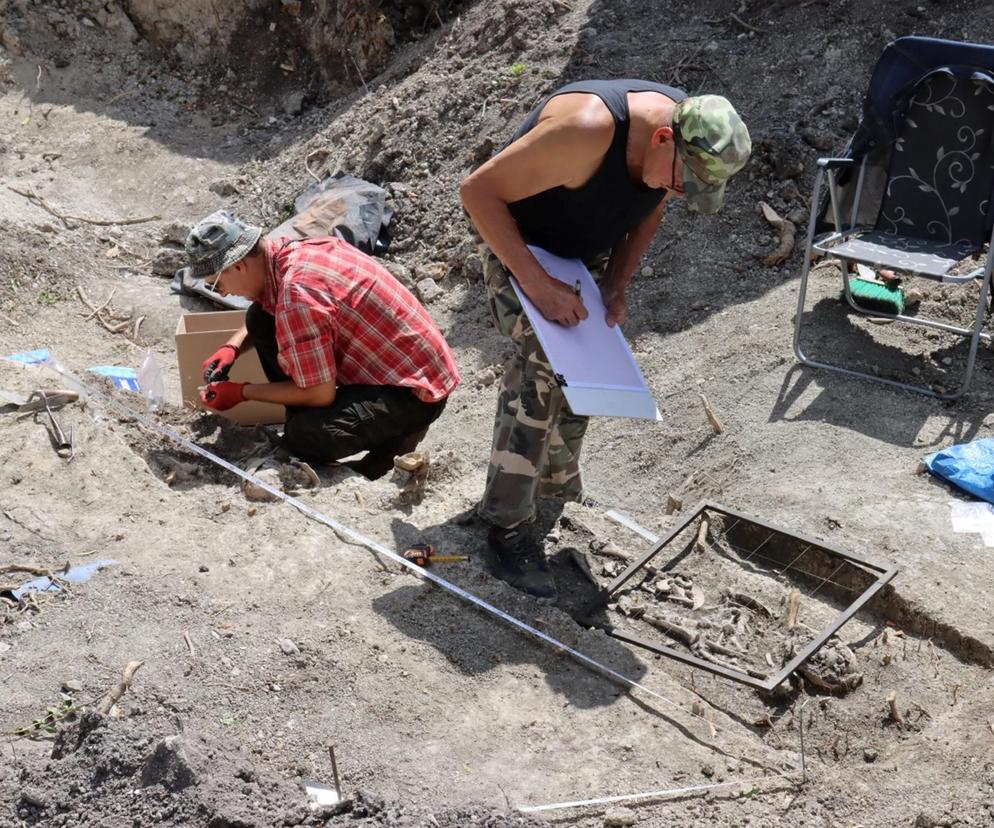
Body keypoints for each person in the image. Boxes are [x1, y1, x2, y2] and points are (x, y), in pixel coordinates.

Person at [460, 80, 751, 598]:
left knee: (590, 360)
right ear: (663, 139)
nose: (681, 194)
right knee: (544, 365)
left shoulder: (684, 136)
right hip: (518, 244)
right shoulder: (587, 130)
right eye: (685, 184)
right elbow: (477, 193)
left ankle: (551, 490)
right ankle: (505, 525)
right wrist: (536, 283)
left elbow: (650, 207)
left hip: (577, 251)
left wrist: (616, 284)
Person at [185, 210, 460, 479]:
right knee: (260, 319)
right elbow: (267, 307)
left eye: (216, 284)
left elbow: (320, 394)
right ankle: (310, 418)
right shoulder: (286, 252)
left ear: (238, 266)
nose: (222, 292)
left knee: (306, 436)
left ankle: (392, 441)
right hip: (404, 363)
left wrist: (242, 392)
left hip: (414, 391)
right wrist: (232, 347)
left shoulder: (298, 295)